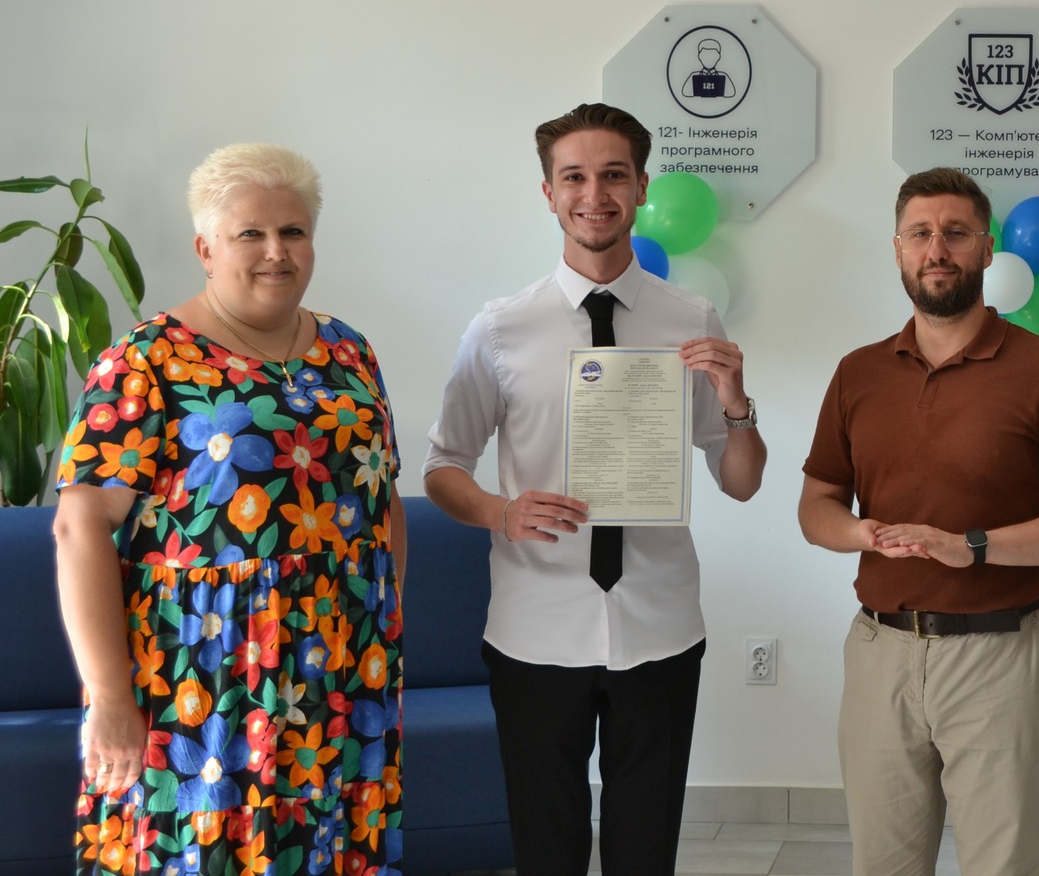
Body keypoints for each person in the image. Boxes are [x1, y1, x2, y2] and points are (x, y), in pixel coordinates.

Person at [421, 103, 766, 876]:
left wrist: (738, 404)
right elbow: (443, 465)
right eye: (574, 177)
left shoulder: (692, 319)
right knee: (547, 849)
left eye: (614, 175)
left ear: (642, 187)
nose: (594, 194)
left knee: (646, 851)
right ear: (549, 193)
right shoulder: (501, 328)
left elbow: (741, 481)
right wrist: (500, 510)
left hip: (660, 624)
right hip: (535, 626)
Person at [52, 142, 404, 876]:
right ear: (206, 248)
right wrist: (109, 693)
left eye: (293, 231)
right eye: (251, 233)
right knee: (203, 850)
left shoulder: (350, 351)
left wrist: (383, 620)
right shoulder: (146, 360)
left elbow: (382, 495)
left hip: (341, 666)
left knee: (326, 848)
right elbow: (79, 526)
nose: (277, 251)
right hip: (203, 672)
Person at [798, 168, 1039, 876]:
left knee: (1002, 865)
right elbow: (816, 507)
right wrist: (861, 533)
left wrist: (972, 546)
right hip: (880, 651)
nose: (936, 248)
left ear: (987, 247)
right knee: (882, 865)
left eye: (956, 232)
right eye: (920, 233)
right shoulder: (858, 372)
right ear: (898, 248)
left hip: (1000, 656)